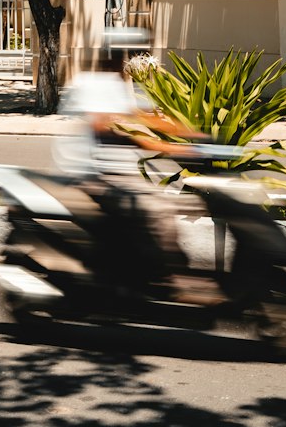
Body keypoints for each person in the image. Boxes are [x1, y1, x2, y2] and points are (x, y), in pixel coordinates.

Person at [56, 54, 222, 306]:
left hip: (111, 173)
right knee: (158, 209)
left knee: (166, 202)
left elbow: (144, 117)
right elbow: (108, 124)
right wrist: (174, 148)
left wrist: (194, 134)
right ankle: (166, 278)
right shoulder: (92, 85)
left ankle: (157, 271)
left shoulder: (113, 85)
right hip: (89, 176)